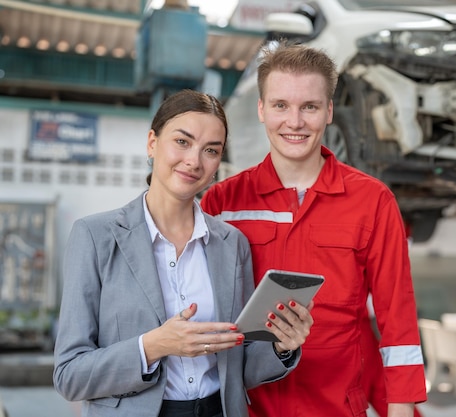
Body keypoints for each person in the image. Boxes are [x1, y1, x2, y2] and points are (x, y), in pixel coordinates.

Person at [53, 89, 314, 417]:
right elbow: (69, 376)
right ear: (152, 142)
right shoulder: (95, 236)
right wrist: (154, 346)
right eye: (182, 141)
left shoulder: (232, 244)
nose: (194, 161)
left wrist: (281, 344)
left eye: (210, 150)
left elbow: (238, 367)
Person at [201, 41, 427, 417]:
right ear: (261, 109)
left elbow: (397, 321)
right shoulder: (223, 204)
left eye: (309, 106)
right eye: (280, 106)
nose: (294, 122)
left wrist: (401, 410)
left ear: (329, 112)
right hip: (248, 409)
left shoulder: (372, 202)